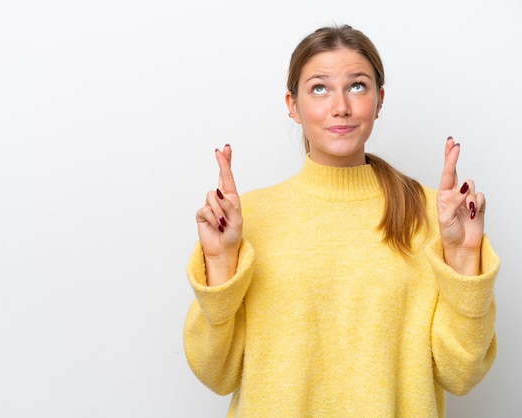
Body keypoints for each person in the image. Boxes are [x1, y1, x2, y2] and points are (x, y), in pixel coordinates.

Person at [183, 24, 499, 417]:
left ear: (379, 100)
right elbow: (217, 374)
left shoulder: (436, 215)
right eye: (319, 88)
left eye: (357, 86)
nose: (341, 107)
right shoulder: (245, 220)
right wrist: (218, 263)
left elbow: (461, 375)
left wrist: (464, 254)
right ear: (292, 105)